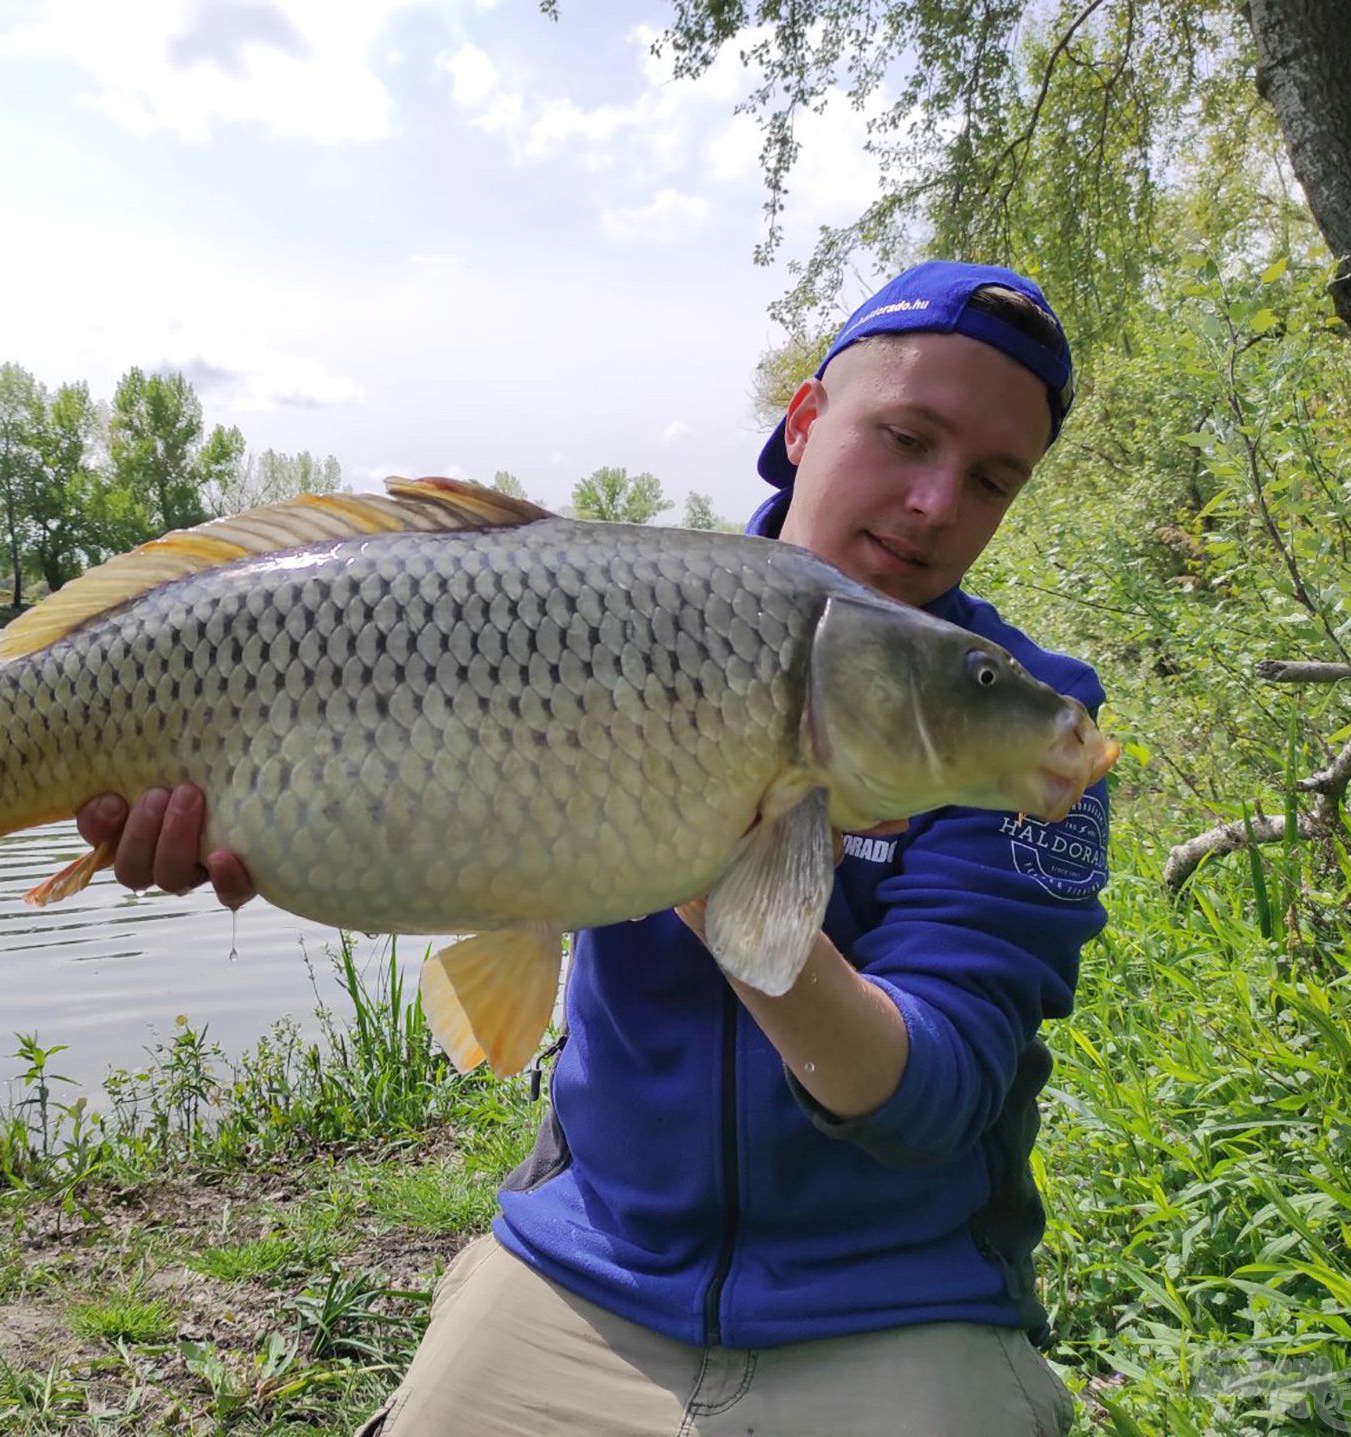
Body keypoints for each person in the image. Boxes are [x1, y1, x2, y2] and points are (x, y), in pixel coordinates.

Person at [73, 261, 1110, 1436]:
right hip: (592, 1263)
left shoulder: (1014, 725)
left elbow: (933, 1096)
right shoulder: (621, 607)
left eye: (990, 478)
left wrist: (719, 875)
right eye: (906, 436)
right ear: (808, 423)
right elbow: (416, 840)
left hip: (896, 1303)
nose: (935, 503)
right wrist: (271, 819)